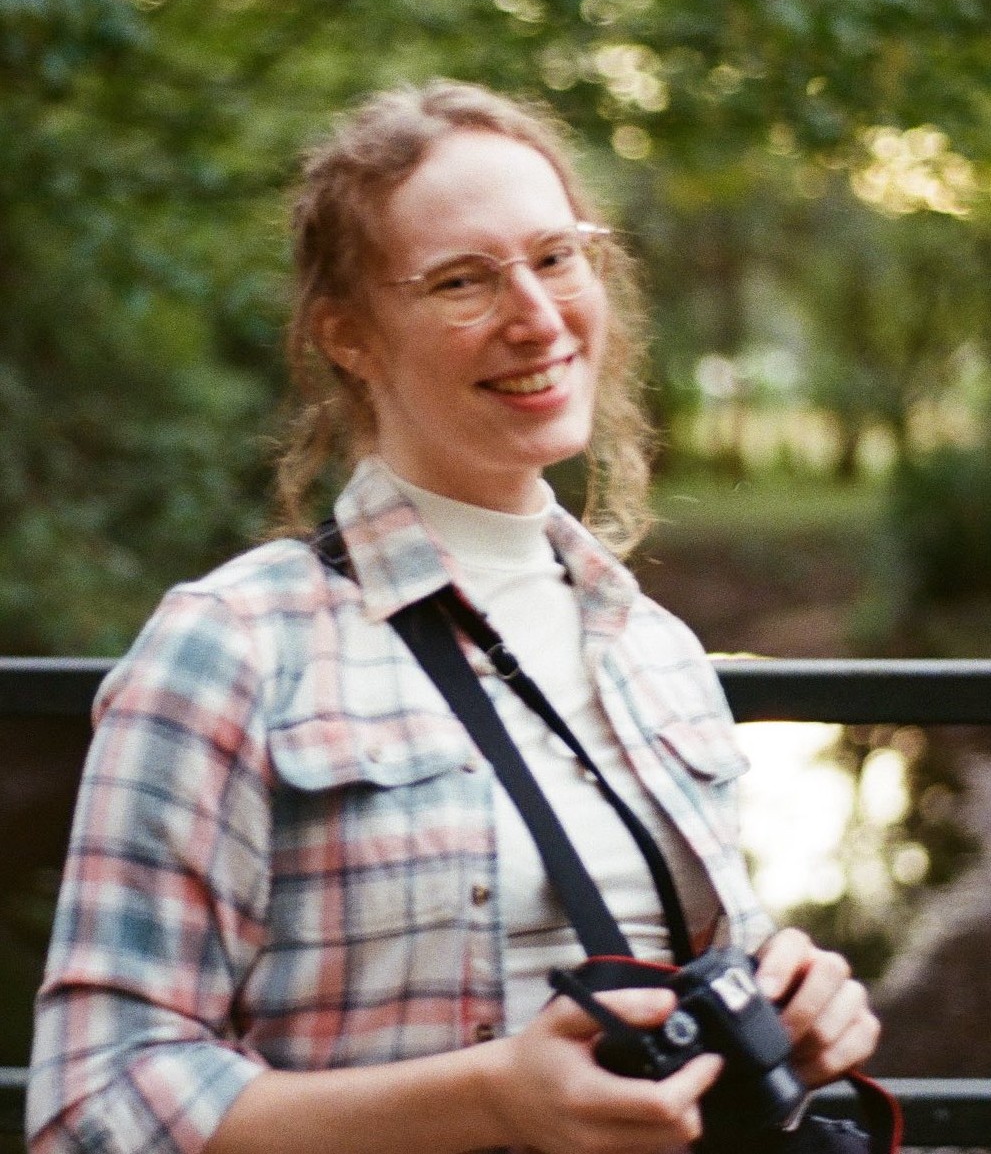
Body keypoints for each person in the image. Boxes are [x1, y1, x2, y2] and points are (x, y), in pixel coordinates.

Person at [28, 81, 880, 1154]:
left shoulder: (654, 646)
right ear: (348, 336)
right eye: (461, 280)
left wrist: (794, 1013)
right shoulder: (231, 646)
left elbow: (701, 998)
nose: (535, 314)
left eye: (557, 255)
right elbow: (92, 1101)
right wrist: (488, 1098)